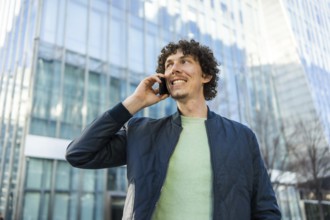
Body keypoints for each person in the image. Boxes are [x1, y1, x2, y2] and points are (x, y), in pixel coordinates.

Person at [66, 39, 281, 220]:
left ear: (205, 76)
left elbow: (266, 210)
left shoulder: (242, 137)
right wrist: (134, 102)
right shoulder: (142, 133)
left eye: (184, 61)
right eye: (168, 65)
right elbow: (79, 154)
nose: (174, 69)